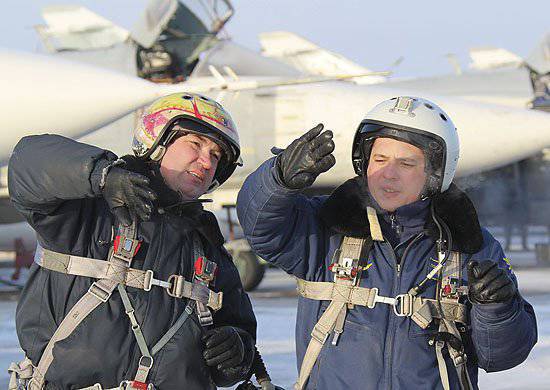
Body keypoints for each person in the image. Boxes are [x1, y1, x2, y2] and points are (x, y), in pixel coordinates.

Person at [237, 96, 537, 390]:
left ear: (435, 175)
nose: (388, 173)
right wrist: (277, 180)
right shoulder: (327, 230)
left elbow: (501, 356)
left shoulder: (471, 249)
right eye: (379, 159)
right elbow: (260, 225)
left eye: (406, 163)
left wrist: (497, 308)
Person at [8, 93, 257, 390]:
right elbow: (27, 162)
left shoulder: (205, 245)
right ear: (157, 141)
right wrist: (101, 176)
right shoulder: (86, 214)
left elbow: (236, 345)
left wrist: (236, 349)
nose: (206, 161)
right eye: (195, 144)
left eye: (216, 155)